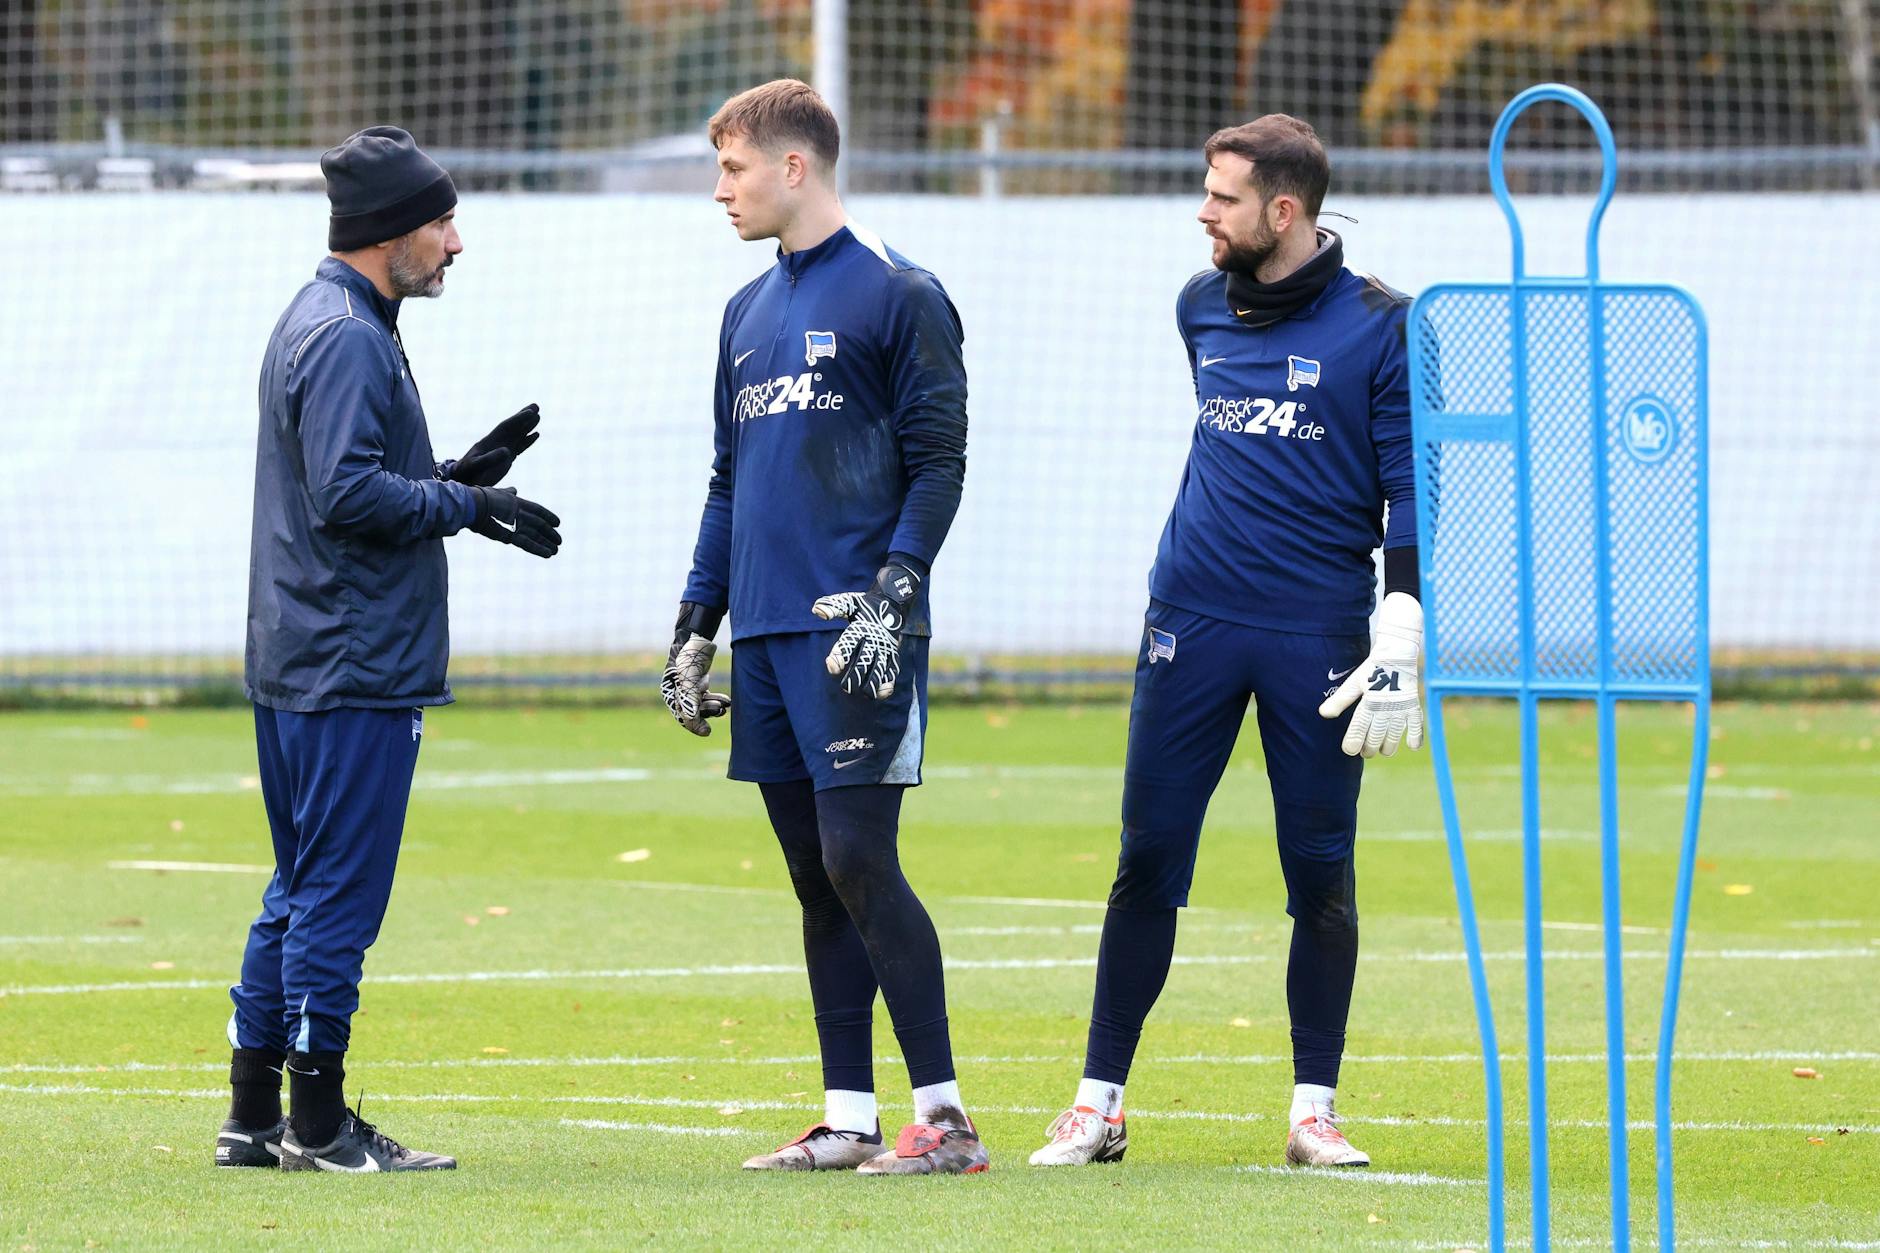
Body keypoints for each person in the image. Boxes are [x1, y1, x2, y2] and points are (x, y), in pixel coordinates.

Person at [1029, 114, 1423, 1170]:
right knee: (1146, 858)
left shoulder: (1382, 324)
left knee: (1319, 871)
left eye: (1221, 196)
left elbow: (1407, 487)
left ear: (1280, 211)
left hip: (1315, 634)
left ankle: (1313, 1109)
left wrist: (1402, 616)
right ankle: (1096, 1102)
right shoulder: (1198, 304)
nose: (1201, 211)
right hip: (1189, 623)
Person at [217, 125, 562, 1174]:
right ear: (387, 233)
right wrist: (470, 500)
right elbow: (348, 493)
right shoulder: (348, 333)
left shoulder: (331, 316)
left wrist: (454, 468)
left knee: (298, 884)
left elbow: (349, 478)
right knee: (335, 897)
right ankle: (317, 1123)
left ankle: (251, 1114)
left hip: (304, 649)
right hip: (352, 660)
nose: (454, 243)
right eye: (441, 222)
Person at [661, 79, 982, 1175]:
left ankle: (942, 1117)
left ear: (793, 167)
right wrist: (695, 621)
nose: (719, 192)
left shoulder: (899, 293)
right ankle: (849, 1115)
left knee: (857, 853)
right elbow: (726, 479)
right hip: (766, 638)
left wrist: (896, 590)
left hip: (860, 627)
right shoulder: (744, 314)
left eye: (733, 170)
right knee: (814, 874)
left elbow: (940, 461)